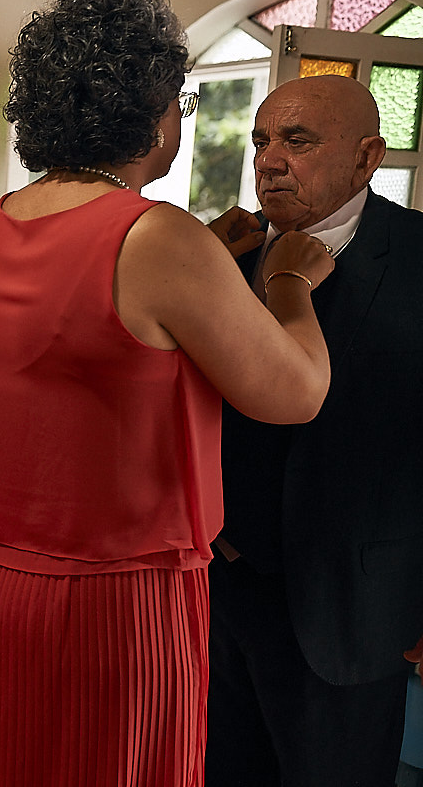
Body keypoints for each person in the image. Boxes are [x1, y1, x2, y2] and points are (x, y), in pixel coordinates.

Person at [0, 0, 338, 784]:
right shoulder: (158, 238)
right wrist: (289, 284)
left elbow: (89, 334)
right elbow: (297, 392)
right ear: (152, 111)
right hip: (105, 598)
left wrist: (208, 250)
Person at [205, 74, 423, 787]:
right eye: (262, 140)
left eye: (297, 141)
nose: (269, 160)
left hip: (357, 611)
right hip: (219, 598)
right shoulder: (214, 255)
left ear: (367, 159)